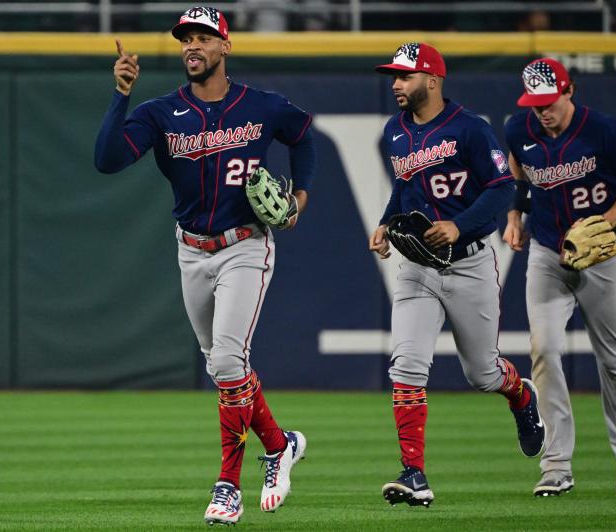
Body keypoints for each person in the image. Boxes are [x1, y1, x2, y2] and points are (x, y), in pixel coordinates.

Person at [94, 6, 316, 525]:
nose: (192, 46)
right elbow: (107, 159)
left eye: (202, 37)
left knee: (227, 362)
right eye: (185, 39)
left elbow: (303, 136)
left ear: (225, 47)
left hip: (246, 245)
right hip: (191, 249)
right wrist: (120, 95)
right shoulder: (159, 111)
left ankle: (227, 486)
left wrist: (300, 196)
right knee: (224, 367)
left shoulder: (261, 106)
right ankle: (281, 444)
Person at [368, 42, 545, 508]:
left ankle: (521, 396)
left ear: (432, 79)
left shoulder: (470, 129)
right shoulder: (395, 131)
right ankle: (414, 473)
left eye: (405, 76)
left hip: (469, 263)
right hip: (418, 267)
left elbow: (502, 188)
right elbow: (404, 187)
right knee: (406, 366)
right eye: (394, 77)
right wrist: (386, 222)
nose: (396, 84)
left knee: (483, 373)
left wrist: (459, 224)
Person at [503, 57, 616, 497]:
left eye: (549, 102)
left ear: (569, 92)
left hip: (598, 257)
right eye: (535, 104)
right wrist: (515, 215)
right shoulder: (520, 128)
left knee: (611, 359)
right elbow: (518, 171)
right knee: (544, 349)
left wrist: (605, 223)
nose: (543, 111)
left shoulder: (605, 130)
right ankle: (556, 465)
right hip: (548, 252)